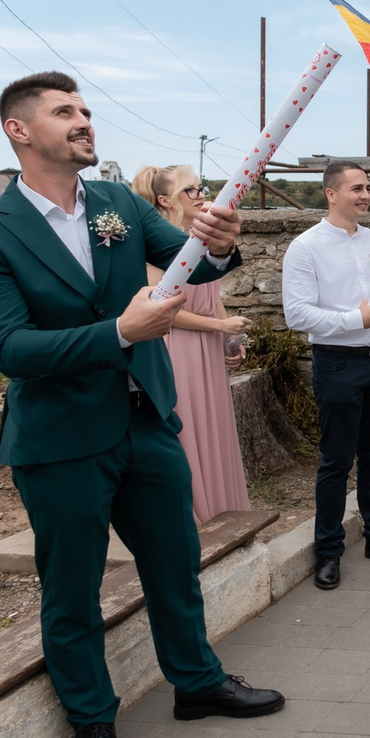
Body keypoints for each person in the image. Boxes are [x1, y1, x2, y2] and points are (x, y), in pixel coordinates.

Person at [0, 72, 283, 738]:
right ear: (18, 130)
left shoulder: (117, 205)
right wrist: (120, 333)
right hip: (62, 440)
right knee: (72, 589)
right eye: (63, 111)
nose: (83, 119)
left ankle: (197, 682)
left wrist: (220, 243)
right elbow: (9, 348)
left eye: (85, 109)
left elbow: (193, 258)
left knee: (175, 562)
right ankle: (92, 724)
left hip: (146, 421)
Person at [281, 162, 370, 592]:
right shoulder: (305, 247)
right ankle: (328, 549)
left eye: (367, 188)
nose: (366, 195)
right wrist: (354, 319)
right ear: (331, 194)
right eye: (357, 188)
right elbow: (297, 314)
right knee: (336, 460)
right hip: (338, 363)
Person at [131, 164, 250, 524]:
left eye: (201, 188)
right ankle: (192, 515)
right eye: (191, 190)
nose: (201, 197)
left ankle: (221, 508)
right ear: (165, 199)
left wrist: (229, 337)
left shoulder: (199, 242)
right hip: (176, 350)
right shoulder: (156, 248)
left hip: (208, 350)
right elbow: (164, 311)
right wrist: (219, 326)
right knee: (188, 428)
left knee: (213, 430)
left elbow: (212, 297)